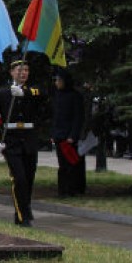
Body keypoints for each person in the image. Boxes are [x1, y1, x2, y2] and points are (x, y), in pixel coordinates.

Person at [0, 56, 49, 226]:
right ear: (12, 72)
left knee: (29, 177)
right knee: (19, 178)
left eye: (26, 70)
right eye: (20, 70)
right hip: (11, 140)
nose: (23, 73)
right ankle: (23, 216)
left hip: (29, 138)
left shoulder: (32, 91)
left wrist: (25, 92)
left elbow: (44, 94)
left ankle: (23, 209)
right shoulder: (2, 94)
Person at [51, 68, 85, 198]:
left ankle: (72, 189)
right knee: (62, 164)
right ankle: (62, 190)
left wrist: (73, 135)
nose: (57, 83)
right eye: (56, 81)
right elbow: (56, 117)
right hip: (59, 135)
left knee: (71, 163)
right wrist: (53, 134)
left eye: (59, 80)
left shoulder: (74, 96)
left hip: (69, 136)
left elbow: (78, 118)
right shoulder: (57, 95)